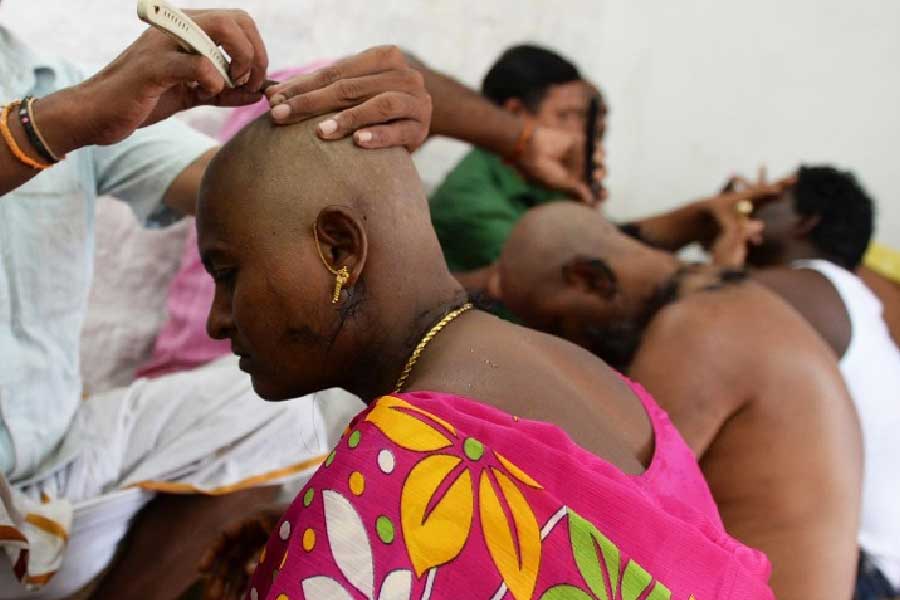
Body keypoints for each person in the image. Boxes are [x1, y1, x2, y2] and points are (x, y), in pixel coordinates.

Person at [0, 9, 595, 596]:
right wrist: (55, 124)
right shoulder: (76, 104)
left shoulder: (52, 83)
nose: (218, 317)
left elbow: (264, 198)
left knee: (282, 409)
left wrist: (505, 135)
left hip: (53, 462)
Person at [195, 113, 776, 600]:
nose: (217, 319)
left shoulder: (392, 472)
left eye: (227, 273)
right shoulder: (598, 378)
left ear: (338, 248)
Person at [493, 202, 863, 600]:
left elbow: (601, 513)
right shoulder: (730, 299)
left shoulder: (698, 332)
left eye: (557, 325)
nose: (571, 347)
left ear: (588, 279)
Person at [742, 166, 900, 599]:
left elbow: (678, 301)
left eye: (766, 204)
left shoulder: (814, 286)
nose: (747, 210)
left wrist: (706, 228)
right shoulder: (848, 301)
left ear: (804, 221)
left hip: (856, 576)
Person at [428, 44, 606, 290]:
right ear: (516, 113)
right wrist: (581, 199)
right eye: (569, 115)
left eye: (591, 120)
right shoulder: (471, 198)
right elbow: (570, 280)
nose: (585, 133)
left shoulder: (542, 180)